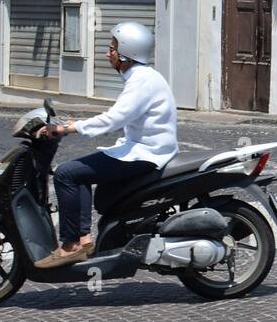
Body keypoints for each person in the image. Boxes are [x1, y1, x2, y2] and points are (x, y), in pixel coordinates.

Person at [33, 21, 179, 269]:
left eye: (112, 48)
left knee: (66, 174)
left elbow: (114, 119)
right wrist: (75, 124)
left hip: (146, 153)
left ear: (126, 53)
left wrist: (68, 128)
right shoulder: (141, 76)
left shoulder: (141, 80)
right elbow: (122, 115)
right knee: (76, 173)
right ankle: (84, 239)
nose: (108, 53)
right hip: (143, 148)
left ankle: (71, 246)